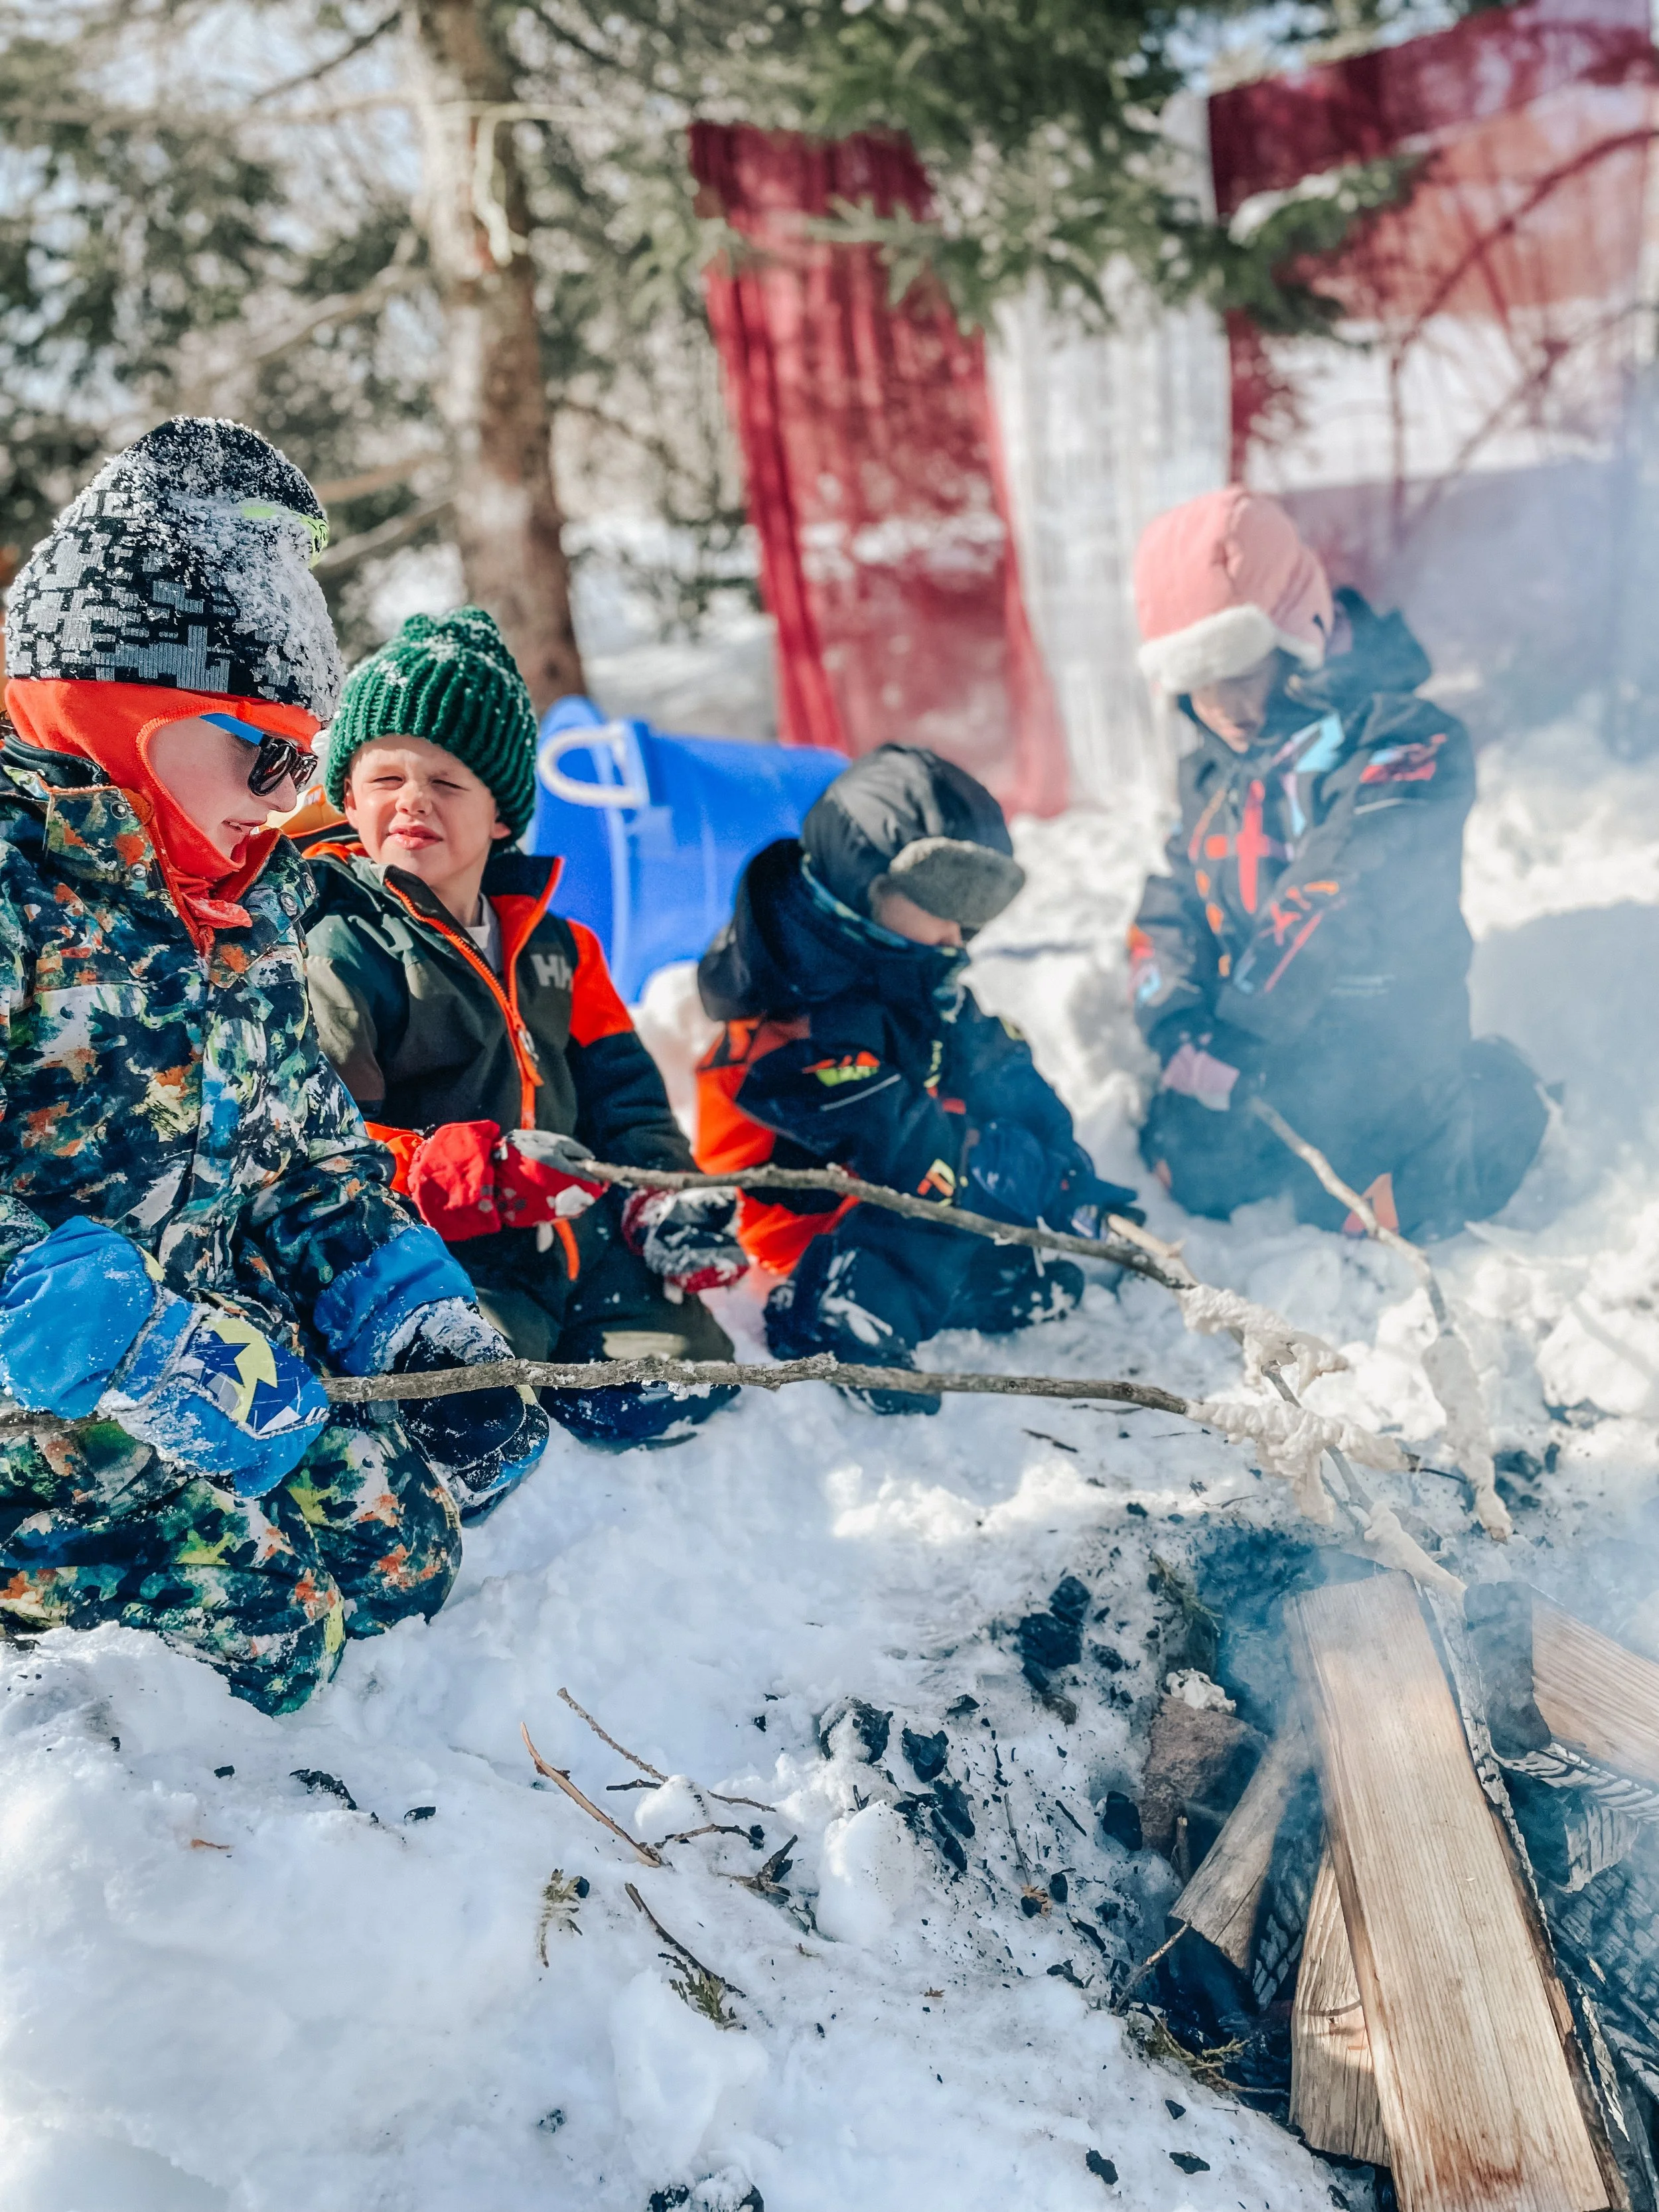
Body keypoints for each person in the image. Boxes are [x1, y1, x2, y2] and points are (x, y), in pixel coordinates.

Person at [0, 417, 552, 1714]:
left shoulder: (243, 908)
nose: (291, 790)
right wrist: (128, 1341)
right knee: (280, 1632)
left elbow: (306, 1164)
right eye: (268, 748)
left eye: (307, 752)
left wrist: (410, 1314)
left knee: (404, 1561)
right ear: (121, 706)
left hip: (209, 1375)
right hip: (38, 1413)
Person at [301, 609, 745, 1449]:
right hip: (440, 1266)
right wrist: (482, 1176)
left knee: (674, 1380)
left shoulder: (559, 949)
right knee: (465, 1418)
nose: (413, 803)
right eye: (385, 779)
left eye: (448, 782)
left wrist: (661, 1197)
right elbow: (325, 1153)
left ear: (502, 814)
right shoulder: (341, 951)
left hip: (573, 1242)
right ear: (347, 799)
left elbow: (628, 1101)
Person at [1128, 485, 1547, 1240]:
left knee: (1383, 1211)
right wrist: (1178, 1025)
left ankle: (1496, 1089)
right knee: (1187, 1174)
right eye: (1196, 680)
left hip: (1382, 1040)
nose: (1221, 704)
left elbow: (1340, 887)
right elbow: (1173, 903)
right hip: (1257, 1050)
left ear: (1295, 629)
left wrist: (1241, 1036)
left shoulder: (1405, 739)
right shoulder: (1211, 769)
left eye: (1238, 665)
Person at [695, 745, 1139, 1414]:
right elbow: (889, 1132)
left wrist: (1061, 1167)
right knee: (944, 1171)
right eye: (943, 902)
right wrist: (987, 1160)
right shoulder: (788, 1005)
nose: (958, 932)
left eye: (972, 912)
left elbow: (998, 1067)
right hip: (798, 1226)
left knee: (990, 1204)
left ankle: (918, 1278)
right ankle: (831, 1315)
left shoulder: (909, 964)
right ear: (865, 882)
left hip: (891, 1187)